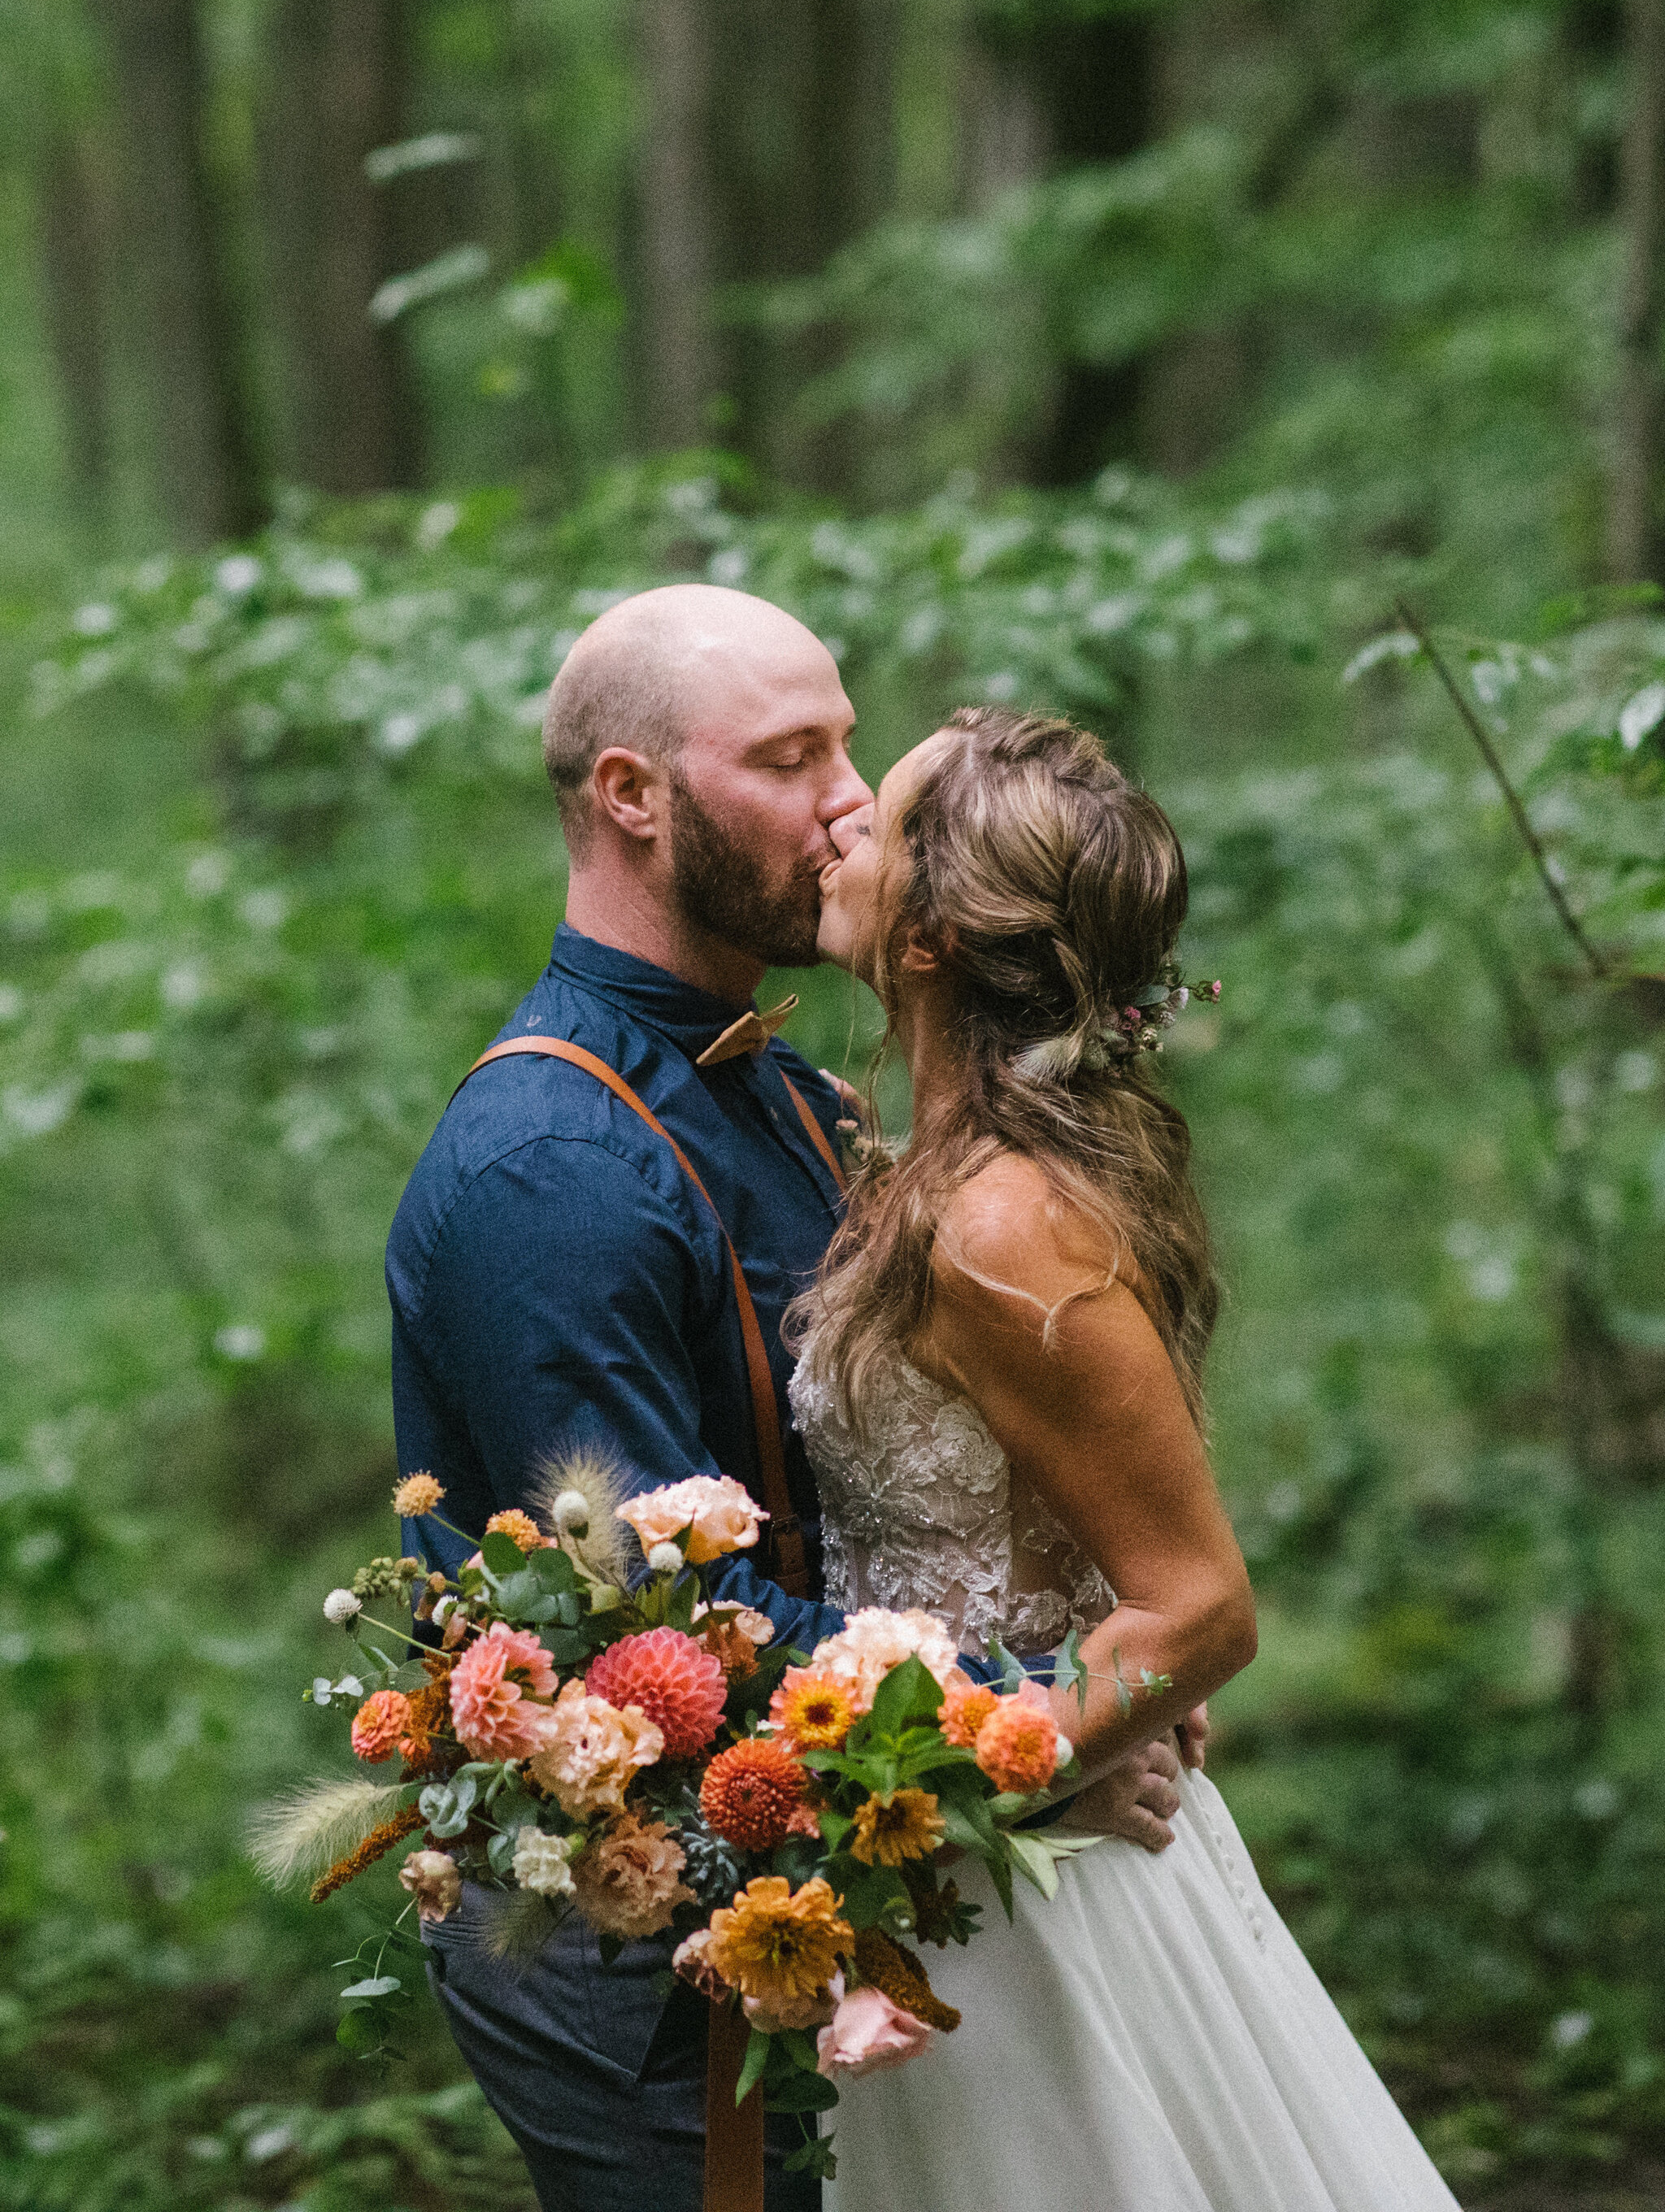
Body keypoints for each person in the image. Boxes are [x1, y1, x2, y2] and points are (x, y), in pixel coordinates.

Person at [385, 589, 1191, 2212]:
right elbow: (656, 1642)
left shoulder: (800, 1094)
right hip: (637, 1940)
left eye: (847, 741)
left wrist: (1102, 1651)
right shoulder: (553, 1168)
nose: (846, 795)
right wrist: (1037, 1715)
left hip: (833, 1867)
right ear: (631, 794)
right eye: (789, 756)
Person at [800, 705, 1462, 2212]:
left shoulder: (1003, 1225)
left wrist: (943, 1790)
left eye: (882, 819)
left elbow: (1201, 1610)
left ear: (927, 941)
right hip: (964, 1886)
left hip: (1038, 1910)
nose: (840, 820)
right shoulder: (932, 1180)